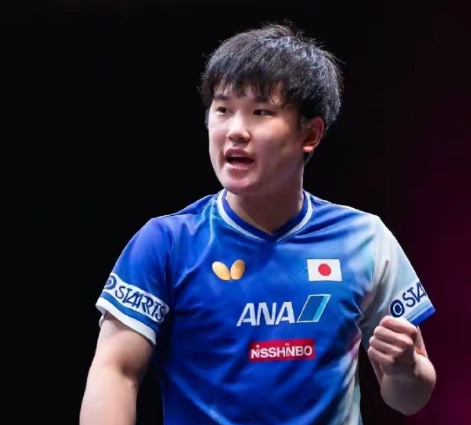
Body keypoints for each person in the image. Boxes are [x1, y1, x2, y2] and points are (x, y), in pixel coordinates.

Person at [80, 23, 437, 425]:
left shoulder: (365, 239)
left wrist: (405, 369)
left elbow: (409, 398)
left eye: (261, 112)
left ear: (310, 133)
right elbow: (116, 372)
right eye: (222, 110)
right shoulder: (166, 243)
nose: (235, 130)